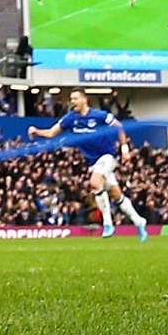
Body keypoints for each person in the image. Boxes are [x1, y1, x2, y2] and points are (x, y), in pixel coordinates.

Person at [30, 89, 148, 239]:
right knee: (116, 195)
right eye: (71, 99)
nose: (73, 102)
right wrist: (36, 131)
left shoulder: (99, 115)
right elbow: (51, 133)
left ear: (84, 100)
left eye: (75, 98)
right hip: (93, 162)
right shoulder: (70, 118)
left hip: (107, 156)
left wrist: (125, 149)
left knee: (95, 182)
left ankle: (107, 224)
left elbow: (119, 126)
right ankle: (139, 222)